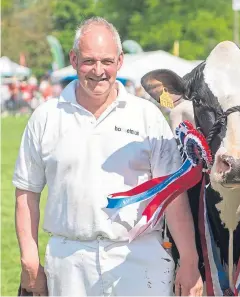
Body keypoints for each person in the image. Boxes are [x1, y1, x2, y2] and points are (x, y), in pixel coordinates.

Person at [13, 17, 202, 296]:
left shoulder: (147, 115)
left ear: (120, 61)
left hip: (138, 260)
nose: (98, 71)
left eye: (107, 61)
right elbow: (26, 192)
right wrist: (29, 260)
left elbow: (172, 195)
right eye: (89, 61)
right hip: (69, 262)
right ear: (74, 59)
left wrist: (189, 258)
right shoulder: (46, 117)